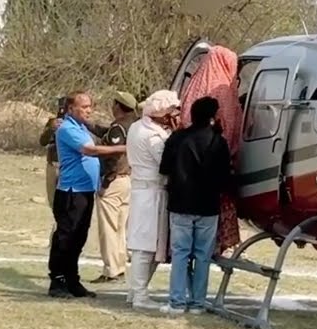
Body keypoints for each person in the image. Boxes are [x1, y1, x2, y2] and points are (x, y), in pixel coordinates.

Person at [48, 92, 126, 299]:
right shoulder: (66, 128)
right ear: (71, 109)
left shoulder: (82, 127)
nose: (88, 110)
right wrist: (124, 148)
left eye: (90, 106)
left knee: (79, 237)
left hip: (85, 190)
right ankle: (58, 280)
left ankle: (72, 279)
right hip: (71, 191)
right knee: (66, 236)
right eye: (83, 107)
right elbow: (88, 150)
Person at [159, 96, 232, 314]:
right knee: (202, 255)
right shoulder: (219, 142)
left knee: (180, 253)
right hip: (208, 205)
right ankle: (198, 302)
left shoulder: (178, 138)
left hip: (181, 203)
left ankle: (177, 301)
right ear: (213, 116)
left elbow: (164, 169)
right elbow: (225, 176)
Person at [178, 47, 243, 254]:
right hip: (216, 162)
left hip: (187, 169)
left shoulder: (194, 85)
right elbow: (231, 127)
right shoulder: (224, 90)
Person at [125, 89, 181, 309]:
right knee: (145, 245)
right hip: (151, 191)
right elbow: (166, 163)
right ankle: (139, 294)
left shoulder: (137, 127)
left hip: (147, 190)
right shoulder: (153, 135)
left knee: (150, 244)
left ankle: (136, 291)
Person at [93, 91, 137, 283]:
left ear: (118, 106)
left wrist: (106, 181)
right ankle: (119, 267)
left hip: (114, 181)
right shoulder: (134, 125)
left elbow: (112, 156)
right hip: (128, 180)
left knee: (109, 228)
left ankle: (111, 270)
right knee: (120, 228)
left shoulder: (118, 127)